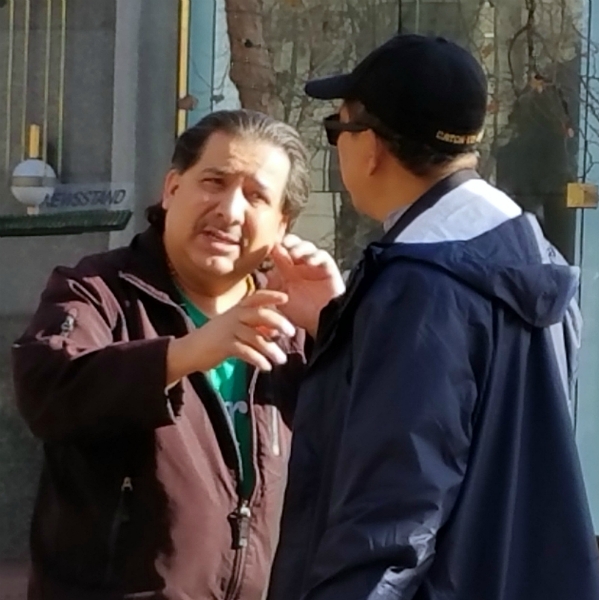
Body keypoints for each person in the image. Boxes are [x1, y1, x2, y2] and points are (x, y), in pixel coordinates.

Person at [268, 34, 599, 600]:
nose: (337, 147)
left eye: (336, 129)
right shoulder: (529, 257)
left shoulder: (421, 287)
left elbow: (389, 521)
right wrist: (341, 323)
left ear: (370, 146)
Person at [12, 109, 344, 600]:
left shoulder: (294, 327)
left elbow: (384, 453)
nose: (230, 210)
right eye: (214, 181)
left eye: (256, 196)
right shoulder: (99, 291)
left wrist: (335, 329)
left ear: (282, 225)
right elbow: (47, 389)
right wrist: (184, 354)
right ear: (172, 189)